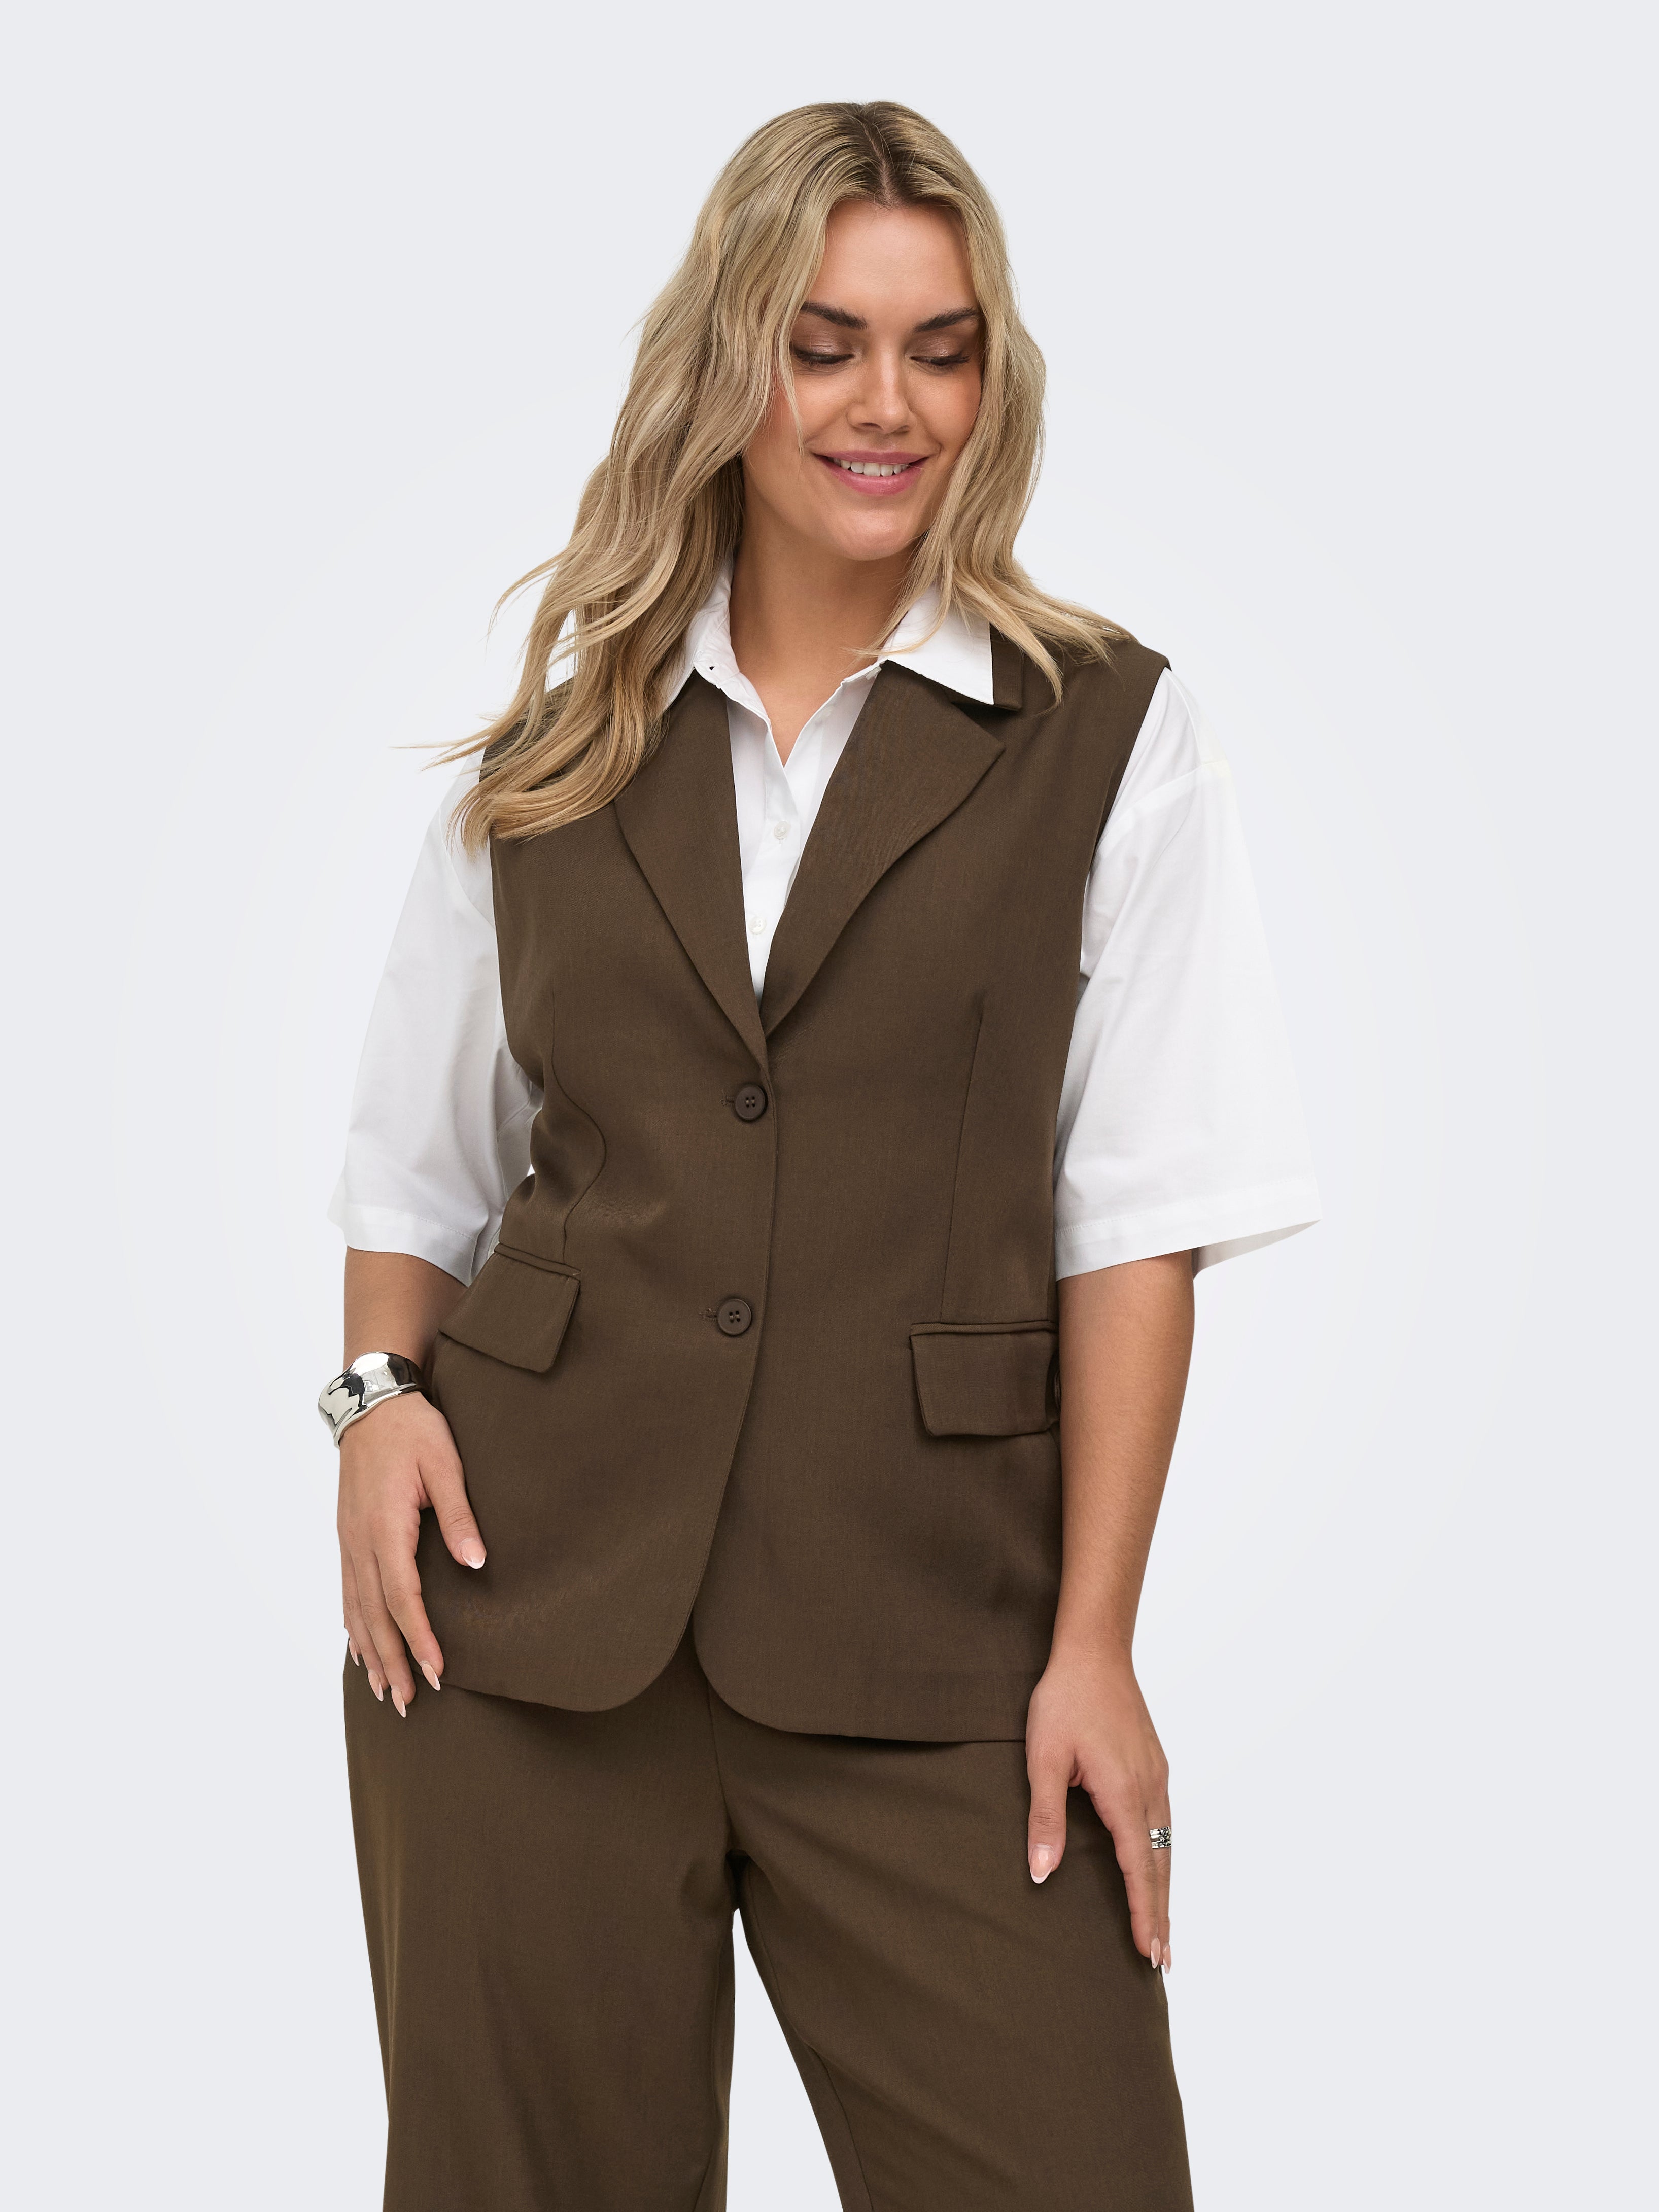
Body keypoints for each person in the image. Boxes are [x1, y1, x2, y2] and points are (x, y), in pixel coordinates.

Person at [322, 99, 1319, 2212]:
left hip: (938, 1636)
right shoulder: (558, 753)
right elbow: (419, 1173)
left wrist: (1094, 1644)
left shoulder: (1108, 736)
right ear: (728, 364)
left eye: (941, 350)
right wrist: (375, 1407)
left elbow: (1134, 1229)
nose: (889, 403)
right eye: (825, 343)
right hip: (522, 1627)